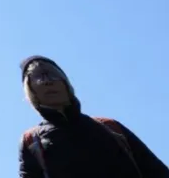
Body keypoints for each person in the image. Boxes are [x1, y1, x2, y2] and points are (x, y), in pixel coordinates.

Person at [18, 55, 168, 178]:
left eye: (52, 74)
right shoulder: (31, 141)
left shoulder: (109, 126)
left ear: (66, 83)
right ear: (30, 91)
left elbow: (155, 170)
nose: (47, 82)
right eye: (37, 77)